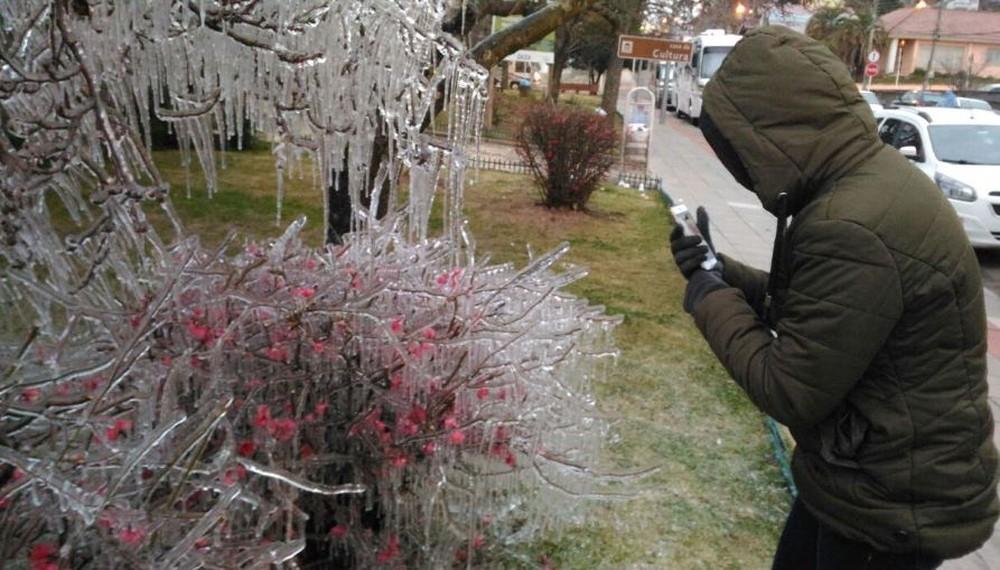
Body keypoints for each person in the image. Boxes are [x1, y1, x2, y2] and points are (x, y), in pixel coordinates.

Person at [669, 27, 998, 570]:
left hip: (889, 505)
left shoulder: (852, 224)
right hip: (864, 478)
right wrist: (720, 270)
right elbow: (826, 319)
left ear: (769, 134)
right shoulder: (865, 182)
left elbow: (789, 387)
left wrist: (707, 296)